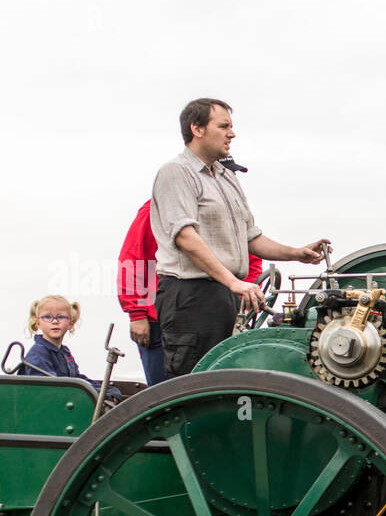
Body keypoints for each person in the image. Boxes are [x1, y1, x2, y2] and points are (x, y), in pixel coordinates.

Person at [150, 98, 332, 378]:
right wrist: (235, 282)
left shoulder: (226, 176)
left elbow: (251, 236)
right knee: (194, 384)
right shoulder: (176, 172)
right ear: (196, 129)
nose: (232, 134)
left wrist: (295, 253)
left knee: (224, 380)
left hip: (225, 294)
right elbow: (185, 237)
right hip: (190, 296)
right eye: (223, 126)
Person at [117, 198, 262, 386]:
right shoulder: (158, 208)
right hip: (160, 320)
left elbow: (252, 262)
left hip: (216, 319)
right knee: (165, 392)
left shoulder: (226, 212)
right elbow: (132, 260)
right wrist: (137, 314)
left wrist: (238, 299)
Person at [22, 295, 122, 400]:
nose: (55, 321)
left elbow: (76, 379)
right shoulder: (37, 354)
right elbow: (49, 388)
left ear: (70, 323)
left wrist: (106, 391)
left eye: (61, 317)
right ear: (38, 323)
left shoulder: (64, 352)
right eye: (47, 317)